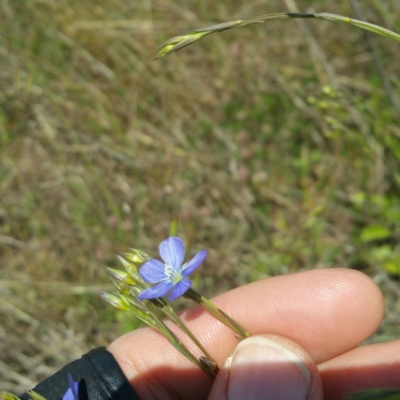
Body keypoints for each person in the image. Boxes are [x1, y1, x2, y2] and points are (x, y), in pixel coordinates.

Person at [19, 268, 400, 399]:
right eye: (170, 274)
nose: (173, 276)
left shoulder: (176, 283)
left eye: (175, 272)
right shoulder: (160, 297)